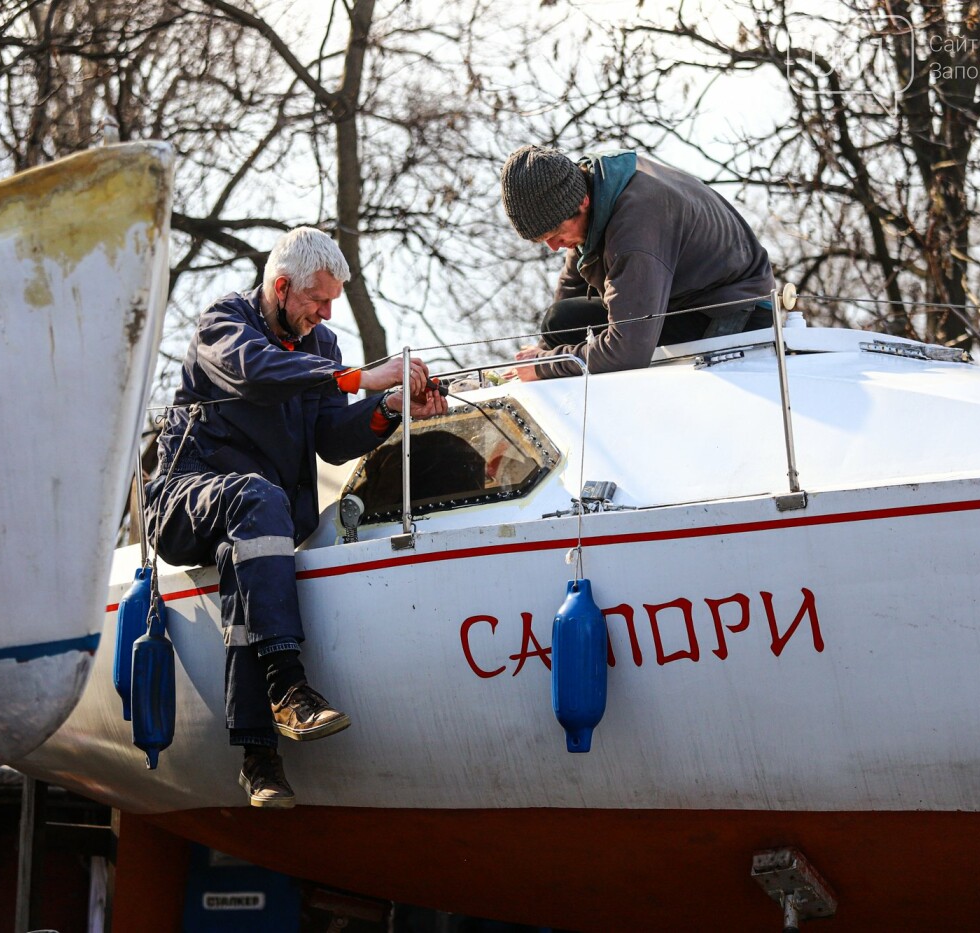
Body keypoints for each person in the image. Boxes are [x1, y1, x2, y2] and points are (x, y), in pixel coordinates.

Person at [144, 226, 447, 808]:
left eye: (332, 301)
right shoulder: (223, 324)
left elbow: (333, 440)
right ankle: (288, 687)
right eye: (317, 300)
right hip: (182, 501)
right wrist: (360, 378)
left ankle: (259, 758)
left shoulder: (323, 347)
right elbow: (258, 374)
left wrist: (387, 407)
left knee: (253, 552)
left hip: (256, 517)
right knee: (260, 500)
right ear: (281, 287)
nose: (326, 313)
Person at [498, 145, 776, 380]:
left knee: (601, 350)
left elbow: (627, 352)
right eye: (542, 240)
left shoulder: (636, 228)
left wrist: (546, 366)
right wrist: (536, 356)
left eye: (556, 234)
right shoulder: (598, 189)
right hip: (679, 303)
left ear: (582, 202)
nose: (553, 247)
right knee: (561, 321)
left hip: (734, 313)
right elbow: (570, 289)